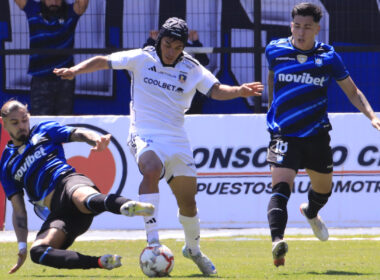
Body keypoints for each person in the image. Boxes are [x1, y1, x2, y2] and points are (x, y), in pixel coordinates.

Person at [54, 17, 263, 276]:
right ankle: (153, 241)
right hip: (144, 132)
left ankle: (193, 250)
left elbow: (215, 89)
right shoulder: (142, 57)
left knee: (188, 203)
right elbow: (104, 61)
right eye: (167, 44)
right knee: (150, 168)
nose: (171, 51)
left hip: (176, 138)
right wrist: (75, 71)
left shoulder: (192, 67)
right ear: (159, 40)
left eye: (177, 47)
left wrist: (239, 91)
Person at [265, 2, 380, 267]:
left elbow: (352, 91)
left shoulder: (328, 57)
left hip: (316, 135)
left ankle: (311, 211)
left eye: (307, 27)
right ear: (290, 25)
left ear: (317, 28)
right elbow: (272, 79)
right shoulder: (275, 49)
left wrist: (372, 116)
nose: (301, 32)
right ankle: (277, 242)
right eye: (296, 26)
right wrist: (272, 107)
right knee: (281, 187)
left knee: (323, 190)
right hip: (284, 133)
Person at [0, 100, 154, 273]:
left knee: (85, 199)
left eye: (24, 120)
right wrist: (22, 246)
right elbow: (19, 210)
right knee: (38, 252)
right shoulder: (7, 164)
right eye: (15, 122)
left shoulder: (44, 130)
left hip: (68, 182)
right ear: (3, 123)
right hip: (60, 213)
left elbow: (77, 133)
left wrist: (95, 138)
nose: (22, 126)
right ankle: (100, 262)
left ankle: (127, 206)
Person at [13, 0, 90, 115]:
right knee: (40, 122)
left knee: (64, 123)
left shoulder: (69, 12)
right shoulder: (33, 9)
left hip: (65, 78)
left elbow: (82, 5)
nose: (54, 2)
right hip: (40, 79)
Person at [143, 29, 210, 114]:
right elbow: (145, 58)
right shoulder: (160, 49)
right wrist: (151, 41)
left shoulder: (187, 47)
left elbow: (204, 61)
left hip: (187, 92)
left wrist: (196, 42)